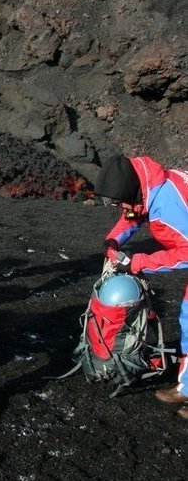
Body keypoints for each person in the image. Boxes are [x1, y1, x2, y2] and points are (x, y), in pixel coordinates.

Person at [94, 154, 188, 420]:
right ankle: (187, 385)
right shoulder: (150, 185)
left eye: (121, 200)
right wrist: (113, 239)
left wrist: (138, 262)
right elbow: (134, 213)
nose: (121, 206)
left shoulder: (169, 207)